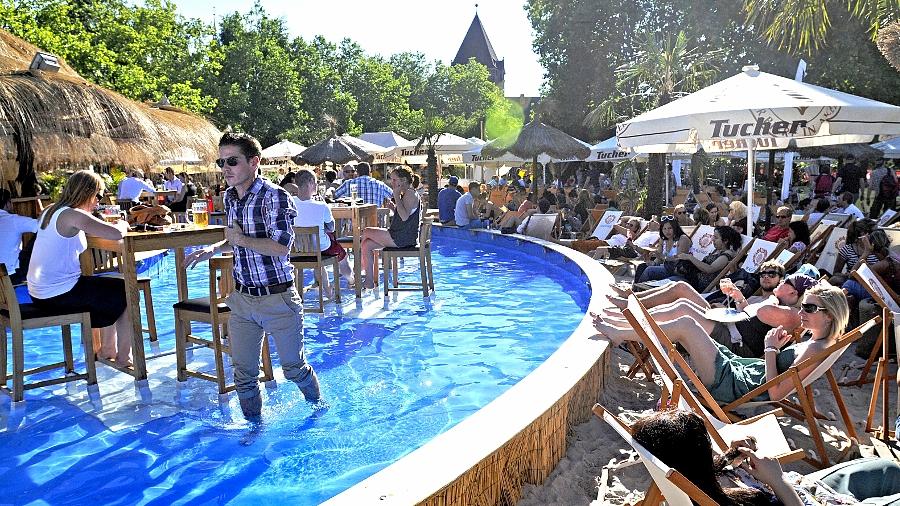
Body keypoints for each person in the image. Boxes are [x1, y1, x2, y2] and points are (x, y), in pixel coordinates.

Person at [184, 132, 321, 420]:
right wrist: (213, 248)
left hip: (278, 298)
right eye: (221, 162)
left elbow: (282, 247)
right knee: (243, 374)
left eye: (232, 161)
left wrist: (239, 240)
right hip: (243, 299)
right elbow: (234, 239)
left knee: (293, 368)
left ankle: (318, 408)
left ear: (254, 161)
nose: (225, 168)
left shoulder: (276, 196)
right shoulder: (230, 197)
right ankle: (254, 429)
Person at [631, 409, 900, 505]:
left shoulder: (695, 482)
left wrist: (729, 456)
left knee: (890, 468)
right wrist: (778, 481)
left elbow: (705, 471)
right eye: (706, 443)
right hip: (798, 496)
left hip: (808, 490)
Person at [27, 170, 133, 366]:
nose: (98, 202)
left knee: (112, 287)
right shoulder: (72, 215)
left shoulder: (50, 211)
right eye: (98, 196)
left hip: (39, 293)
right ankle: (122, 357)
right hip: (59, 294)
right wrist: (123, 223)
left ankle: (108, 348)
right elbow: (116, 234)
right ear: (87, 193)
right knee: (128, 290)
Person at [597, 272, 814, 359]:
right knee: (681, 289)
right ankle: (628, 308)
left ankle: (623, 329)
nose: (781, 280)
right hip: (730, 323)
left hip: (735, 342)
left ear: (794, 293)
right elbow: (752, 317)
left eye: (786, 281)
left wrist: (769, 300)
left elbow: (762, 313)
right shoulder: (782, 307)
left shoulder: (792, 315)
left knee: (682, 308)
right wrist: (739, 298)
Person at [288, 169, 353, 294]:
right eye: (316, 182)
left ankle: (327, 288)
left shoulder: (289, 203)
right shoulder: (322, 206)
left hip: (297, 248)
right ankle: (351, 280)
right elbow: (332, 228)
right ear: (311, 182)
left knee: (316, 252)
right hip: (321, 247)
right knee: (340, 254)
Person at [358, 166, 420, 289]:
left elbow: (404, 218)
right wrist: (394, 208)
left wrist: (396, 196)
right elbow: (405, 213)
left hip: (402, 238)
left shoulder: (409, 194)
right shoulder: (408, 193)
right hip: (403, 236)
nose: (392, 183)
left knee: (366, 231)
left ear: (403, 180)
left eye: (394, 180)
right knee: (367, 245)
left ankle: (358, 270)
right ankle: (369, 281)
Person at [673, 225, 742, 290]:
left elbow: (710, 269)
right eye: (713, 236)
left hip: (699, 284)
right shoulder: (717, 250)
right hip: (692, 278)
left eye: (716, 237)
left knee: (670, 282)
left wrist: (690, 257)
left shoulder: (727, 254)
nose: (713, 239)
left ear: (725, 241)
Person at [634, 216, 692, 283]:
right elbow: (659, 259)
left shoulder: (682, 239)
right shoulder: (663, 240)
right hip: (666, 268)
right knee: (642, 267)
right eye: (664, 229)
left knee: (649, 271)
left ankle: (638, 291)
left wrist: (663, 257)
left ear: (675, 227)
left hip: (678, 271)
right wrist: (652, 263)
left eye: (670, 228)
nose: (667, 231)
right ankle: (636, 290)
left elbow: (679, 258)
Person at [0, 188, 38, 285]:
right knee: (40, 235)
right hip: (11, 274)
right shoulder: (13, 220)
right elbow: (43, 227)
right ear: (8, 204)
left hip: (6, 271)